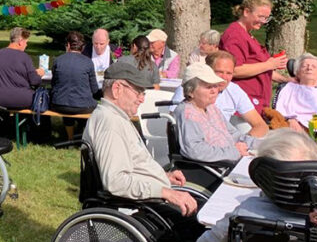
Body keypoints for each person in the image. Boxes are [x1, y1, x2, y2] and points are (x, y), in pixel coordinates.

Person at [82, 60, 197, 215]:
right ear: (117, 89)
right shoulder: (110, 124)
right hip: (140, 207)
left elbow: (132, 166)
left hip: (147, 201)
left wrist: (163, 176)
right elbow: (116, 182)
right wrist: (166, 192)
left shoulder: (115, 117)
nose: (142, 99)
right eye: (138, 92)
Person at [170, 50, 269, 138]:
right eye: (219, 72)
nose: (224, 78)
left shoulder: (234, 90)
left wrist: (244, 143)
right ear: (208, 70)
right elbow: (173, 124)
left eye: (229, 73)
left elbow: (260, 125)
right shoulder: (190, 88)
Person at [219, 0, 289, 113]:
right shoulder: (235, 35)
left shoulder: (246, 34)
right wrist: (269, 64)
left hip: (256, 103)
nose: (263, 21)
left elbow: (261, 69)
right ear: (246, 12)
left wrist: (286, 80)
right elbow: (234, 70)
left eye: (266, 18)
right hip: (242, 105)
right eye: (261, 17)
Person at [173, 63, 253, 164]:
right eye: (208, 87)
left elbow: (233, 134)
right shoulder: (187, 113)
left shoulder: (211, 108)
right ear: (190, 91)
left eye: (215, 86)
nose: (214, 91)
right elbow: (194, 149)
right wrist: (234, 152)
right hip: (213, 167)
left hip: (231, 160)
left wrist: (259, 144)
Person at [274, 53, 317, 132]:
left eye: (314, 66)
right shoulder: (287, 88)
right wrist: (289, 119)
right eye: (304, 66)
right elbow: (278, 111)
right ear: (297, 73)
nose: (309, 68)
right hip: (290, 128)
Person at [0, 27, 44, 109]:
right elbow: (35, 81)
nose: (26, 45)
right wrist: (38, 74)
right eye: (26, 42)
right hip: (20, 98)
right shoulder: (24, 57)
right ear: (20, 42)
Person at [50, 30, 99, 114]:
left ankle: (68, 123)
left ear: (68, 45)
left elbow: (54, 84)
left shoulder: (58, 60)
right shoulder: (88, 62)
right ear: (83, 47)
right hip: (83, 106)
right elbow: (94, 89)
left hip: (58, 104)